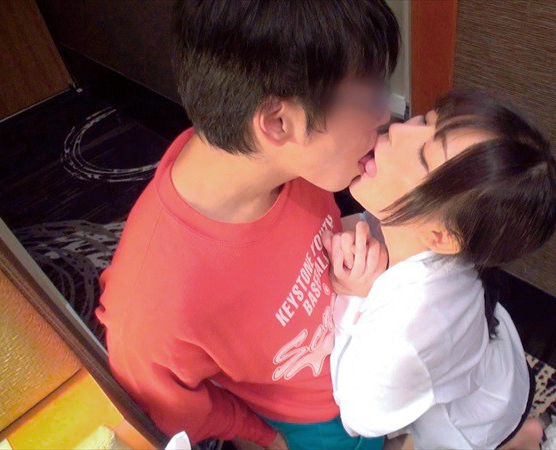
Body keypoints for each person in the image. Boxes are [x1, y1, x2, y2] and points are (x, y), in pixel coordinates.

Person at [96, 1, 398, 449]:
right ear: (278, 122)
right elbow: (171, 406)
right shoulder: (153, 304)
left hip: (360, 354)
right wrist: (260, 436)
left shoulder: (296, 166)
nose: (383, 116)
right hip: (311, 421)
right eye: (369, 98)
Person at [324, 92, 556, 449]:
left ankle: (523, 439)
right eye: (425, 120)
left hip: (474, 427)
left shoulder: (407, 334)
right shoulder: (436, 239)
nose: (397, 129)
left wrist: (358, 296)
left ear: (441, 236)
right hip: (500, 373)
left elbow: (360, 416)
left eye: (422, 158)